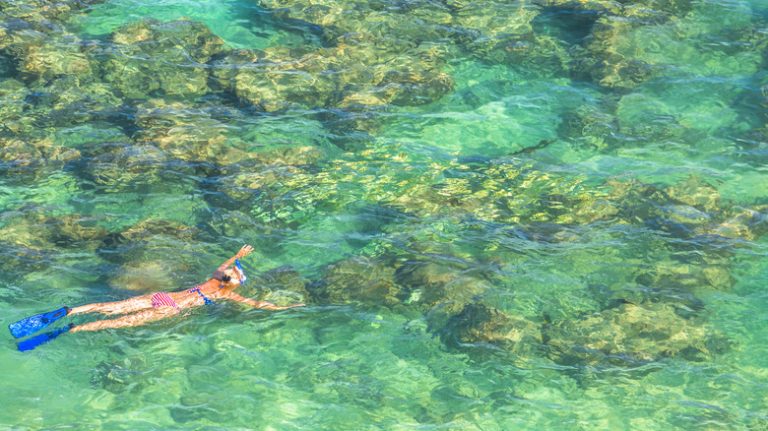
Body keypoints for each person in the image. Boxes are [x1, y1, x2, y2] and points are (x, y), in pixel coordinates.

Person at [66, 245, 303, 332]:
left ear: (225, 277)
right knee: (116, 323)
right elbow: (258, 304)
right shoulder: (227, 293)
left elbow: (224, 265)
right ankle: (76, 329)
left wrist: (238, 255)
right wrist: (288, 306)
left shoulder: (214, 280)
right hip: (171, 308)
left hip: (162, 296)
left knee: (110, 307)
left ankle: (72, 311)